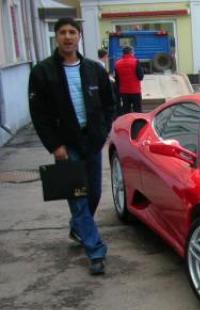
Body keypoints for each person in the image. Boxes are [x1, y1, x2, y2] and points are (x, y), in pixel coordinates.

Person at [28, 17, 114, 275]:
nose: (68, 37)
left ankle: (78, 228)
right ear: (57, 37)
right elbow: (39, 114)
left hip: (92, 141)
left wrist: (102, 133)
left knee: (95, 193)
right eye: (63, 32)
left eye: (72, 32)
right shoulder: (43, 72)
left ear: (79, 36)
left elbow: (109, 104)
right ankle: (96, 252)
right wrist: (55, 146)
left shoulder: (94, 69)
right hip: (66, 145)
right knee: (78, 197)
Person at [114, 46, 144, 114]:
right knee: (137, 110)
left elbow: (117, 80)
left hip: (123, 92)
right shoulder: (136, 62)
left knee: (126, 111)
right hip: (135, 91)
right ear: (131, 52)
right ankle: (138, 124)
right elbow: (140, 77)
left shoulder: (117, 63)